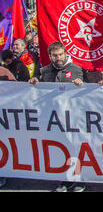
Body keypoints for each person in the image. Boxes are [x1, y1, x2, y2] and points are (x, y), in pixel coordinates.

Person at [28, 41, 85, 192]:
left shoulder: (77, 69)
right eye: (55, 55)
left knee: (75, 148)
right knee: (60, 148)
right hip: (53, 117)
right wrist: (35, 83)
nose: (58, 57)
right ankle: (64, 179)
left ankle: (79, 179)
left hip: (73, 116)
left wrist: (81, 84)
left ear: (65, 53)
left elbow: (86, 90)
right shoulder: (45, 71)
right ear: (50, 56)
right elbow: (39, 88)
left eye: (60, 54)